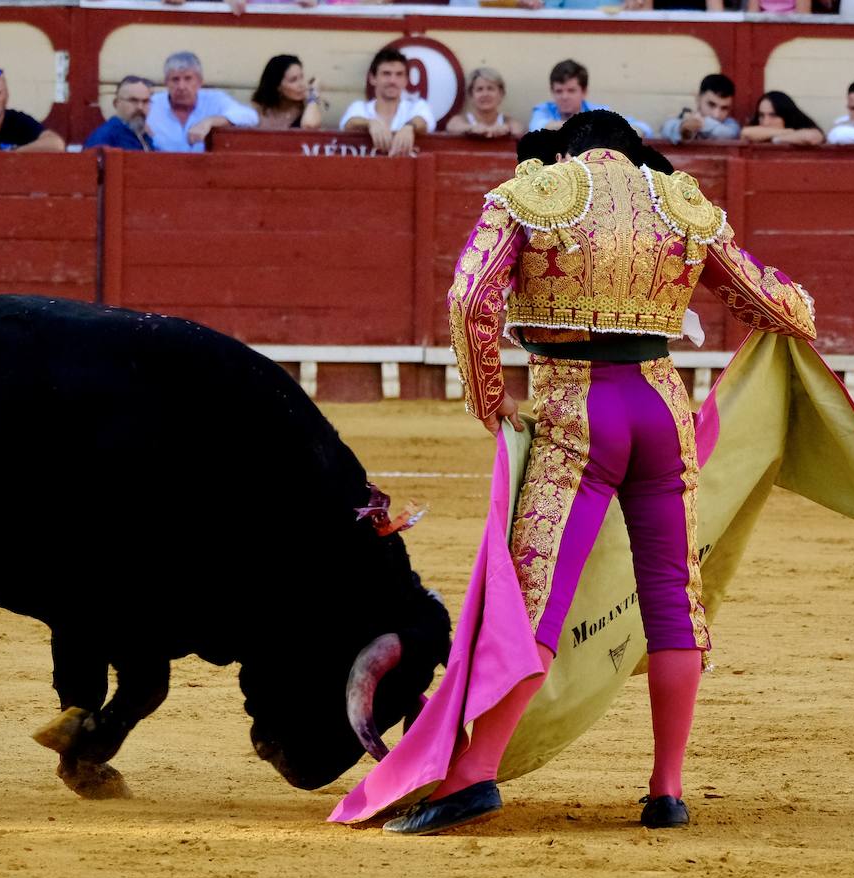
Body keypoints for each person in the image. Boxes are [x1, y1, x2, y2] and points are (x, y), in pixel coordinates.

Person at [348, 110, 816, 835]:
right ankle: (666, 791)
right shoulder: (682, 203)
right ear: (634, 155)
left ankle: (475, 774)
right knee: (672, 601)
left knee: (538, 600)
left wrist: (489, 399)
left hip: (575, 408)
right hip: (662, 411)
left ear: (570, 151)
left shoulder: (534, 193)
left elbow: (469, 299)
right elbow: (778, 306)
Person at [146, 51, 260, 153]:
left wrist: (210, 122)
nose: (181, 86)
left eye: (188, 78)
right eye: (175, 79)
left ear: (200, 81)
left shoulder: (214, 99)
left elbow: (251, 117)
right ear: (166, 83)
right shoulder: (151, 104)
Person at [341, 49, 435, 158]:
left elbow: (423, 121)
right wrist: (370, 123)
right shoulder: (360, 108)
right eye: (386, 74)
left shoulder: (416, 106)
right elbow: (349, 123)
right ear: (372, 78)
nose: (392, 81)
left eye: (399, 75)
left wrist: (409, 127)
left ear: (406, 80)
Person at [527, 60, 654, 138]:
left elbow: (643, 128)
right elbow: (536, 127)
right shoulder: (544, 109)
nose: (564, 97)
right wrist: (584, 126)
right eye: (559, 91)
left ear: (584, 91)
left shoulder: (599, 111)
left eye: (571, 91)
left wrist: (618, 130)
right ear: (552, 92)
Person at [445, 68, 524, 139]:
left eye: (490, 89)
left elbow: (518, 129)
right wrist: (472, 129)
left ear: (501, 94)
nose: (485, 94)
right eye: (479, 89)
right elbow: (452, 126)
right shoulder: (462, 120)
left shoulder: (507, 121)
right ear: (471, 95)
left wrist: (506, 129)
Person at [661, 74, 741, 144]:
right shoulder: (682, 119)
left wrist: (702, 124)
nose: (716, 114)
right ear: (698, 98)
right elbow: (667, 128)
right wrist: (684, 127)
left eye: (724, 108)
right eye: (711, 104)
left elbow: (731, 134)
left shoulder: (730, 124)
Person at [250, 55, 324, 130]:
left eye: (302, 77)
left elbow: (310, 126)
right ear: (277, 86)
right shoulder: (259, 109)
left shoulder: (309, 105)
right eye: (293, 80)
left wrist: (313, 94)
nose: (302, 84)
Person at [84, 76, 156, 151]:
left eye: (145, 101)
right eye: (133, 100)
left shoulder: (144, 135)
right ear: (116, 103)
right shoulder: (104, 137)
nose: (140, 107)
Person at [741, 91, 825, 146]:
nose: (766, 122)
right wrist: (788, 132)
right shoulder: (789, 131)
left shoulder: (801, 124)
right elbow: (746, 133)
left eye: (773, 115)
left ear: (786, 115)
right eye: (761, 115)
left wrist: (776, 139)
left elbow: (811, 137)